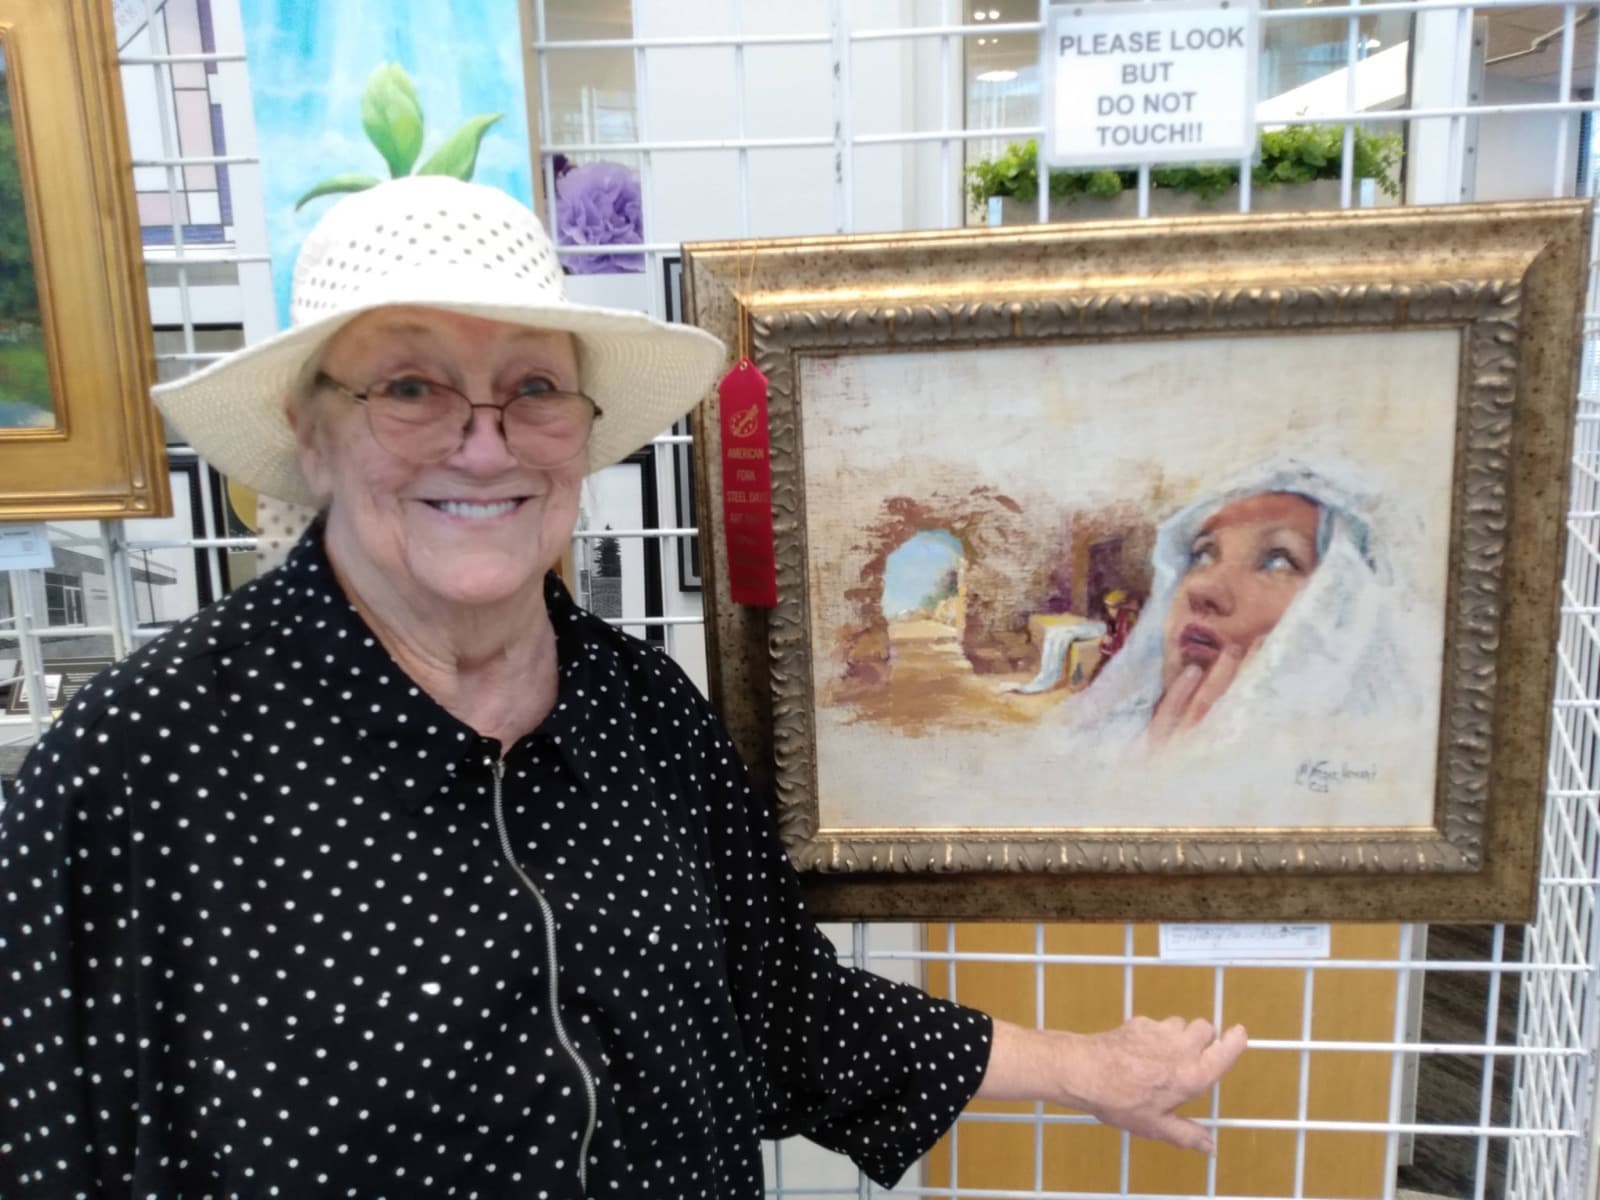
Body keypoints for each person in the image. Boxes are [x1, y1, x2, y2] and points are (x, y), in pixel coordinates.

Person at [0, 176, 1245, 1198]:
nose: (481, 441)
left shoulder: (640, 713)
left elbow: (777, 1013)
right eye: (410, 387)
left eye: (533, 388)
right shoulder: (146, 757)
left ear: (583, 431)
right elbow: (44, 1139)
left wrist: (1086, 1066)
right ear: (311, 433)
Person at [1073, 460, 1426, 751]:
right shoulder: (1100, 747)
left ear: (1340, 614)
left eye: (1278, 561)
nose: (1202, 587)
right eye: (1203, 554)